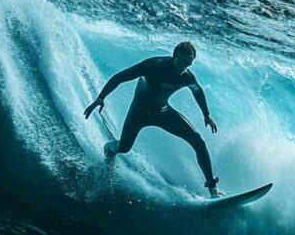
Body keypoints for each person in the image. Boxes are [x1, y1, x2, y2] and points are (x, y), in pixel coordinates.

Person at [84, 41, 224, 198]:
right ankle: (110, 148)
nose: (183, 67)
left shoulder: (187, 77)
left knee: (198, 141)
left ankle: (213, 190)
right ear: (174, 56)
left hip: (162, 112)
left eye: (188, 64)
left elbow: (197, 91)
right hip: (139, 113)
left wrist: (206, 114)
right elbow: (120, 77)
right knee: (124, 148)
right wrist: (101, 97)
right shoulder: (154, 65)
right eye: (181, 61)